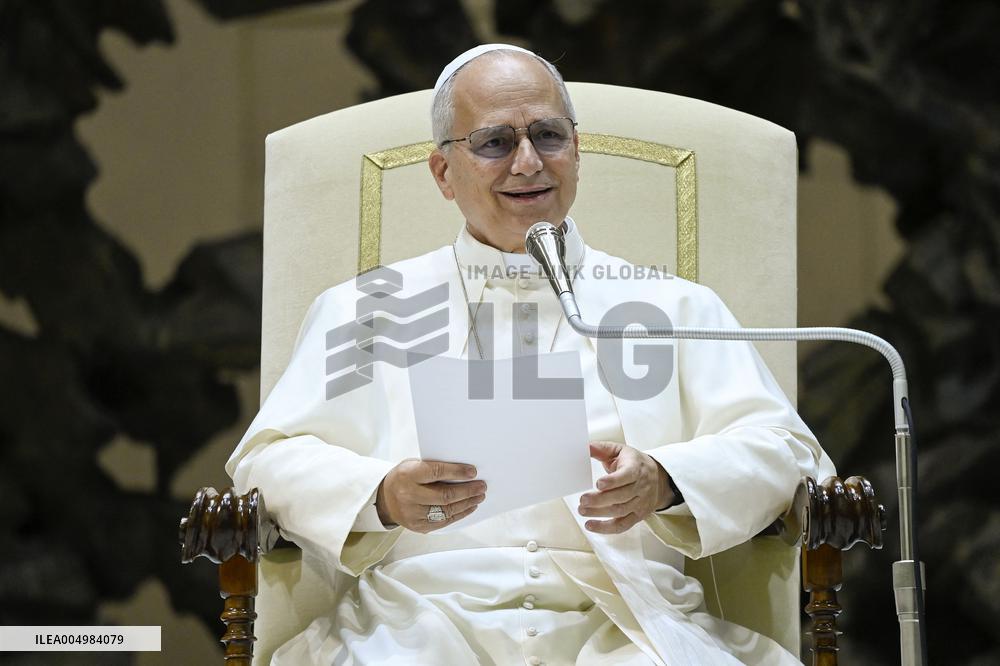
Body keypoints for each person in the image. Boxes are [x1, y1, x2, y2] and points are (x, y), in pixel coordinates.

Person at [227, 44, 834, 665]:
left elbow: (787, 452)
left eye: (548, 135)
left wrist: (667, 480)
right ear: (443, 173)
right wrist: (380, 494)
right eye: (494, 142)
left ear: (577, 150)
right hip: (418, 621)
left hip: (625, 620)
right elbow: (266, 463)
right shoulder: (367, 309)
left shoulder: (669, 306)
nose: (527, 163)